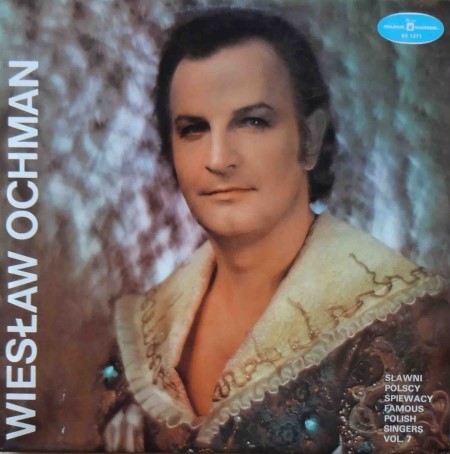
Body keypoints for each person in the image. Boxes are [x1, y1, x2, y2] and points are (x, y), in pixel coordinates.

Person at [101, 8, 450, 453]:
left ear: (310, 138)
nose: (218, 159)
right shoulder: (139, 333)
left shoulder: (408, 321)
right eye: (193, 129)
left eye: (253, 122)